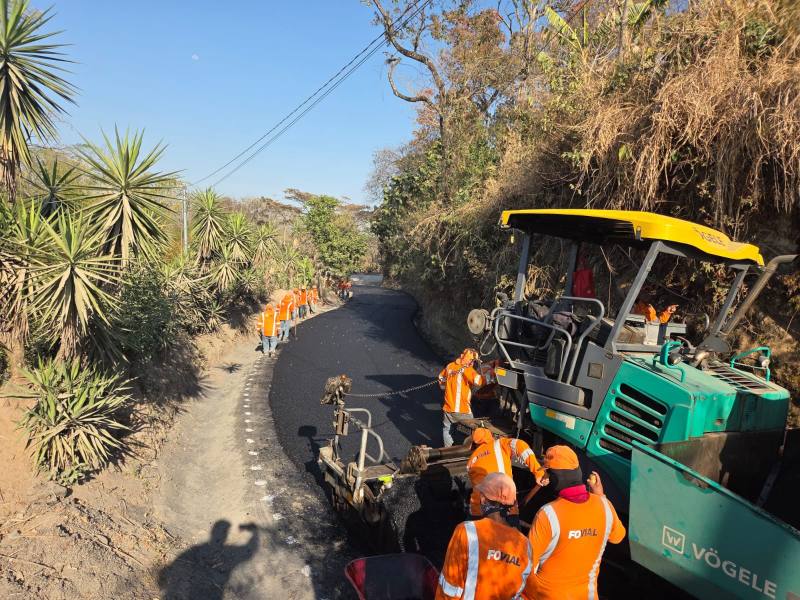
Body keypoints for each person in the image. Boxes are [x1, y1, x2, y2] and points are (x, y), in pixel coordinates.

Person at [524, 446, 626, 600]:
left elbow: (527, 564)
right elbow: (618, 536)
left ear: (556, 478)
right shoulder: (605, 506)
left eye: (548, 473)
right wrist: (601, 495)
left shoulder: (548, 514)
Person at [436, 473, 533, 600]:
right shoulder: (524, 544)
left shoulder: (466, 531)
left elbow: (449, 586)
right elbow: (524, 591)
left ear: (483, 499)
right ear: (512, 503)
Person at [466, 428, 546, 517]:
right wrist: (538, 472)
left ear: (474, 444)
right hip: (504, 504)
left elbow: (476, 488)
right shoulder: (499, 444)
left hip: (479, 509)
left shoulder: (470, 462)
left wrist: (476, 514)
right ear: (490, 437)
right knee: (510, 528)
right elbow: (520, 445)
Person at [439, 349, 484, 447]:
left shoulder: (450, 366)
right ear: (471, 360)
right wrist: (490, 376)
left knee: (447, 430)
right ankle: (466, 452)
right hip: (462, 410)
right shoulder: (467, 369)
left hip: (448, 408)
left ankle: (448, 451)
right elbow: (479, 381)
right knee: (471, 432)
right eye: (473, 362)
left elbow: (441, 379)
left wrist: (447, 388)